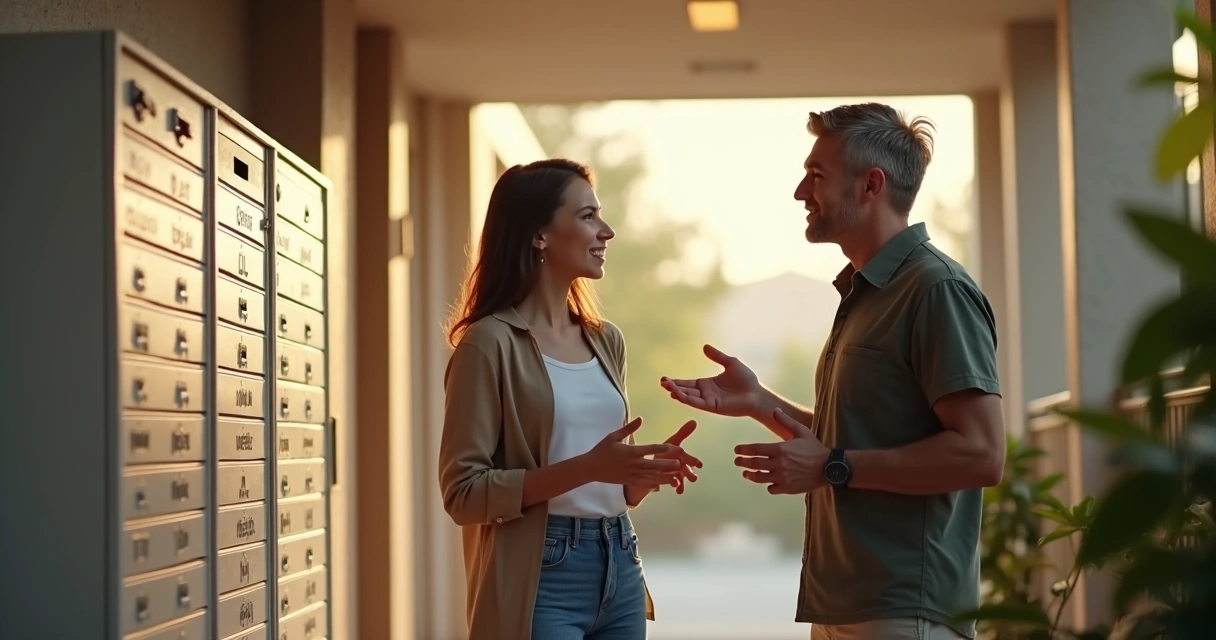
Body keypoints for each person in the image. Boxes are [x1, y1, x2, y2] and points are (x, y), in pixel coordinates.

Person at [661, 103, 1005, 640]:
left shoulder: (936, 291)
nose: (801, 193)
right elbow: (851, 441)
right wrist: (759, 402)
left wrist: (833, 467)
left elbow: (982, 454)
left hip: (903, 609)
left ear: (871, 185)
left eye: (817, 176)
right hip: (844, 603)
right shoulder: (866, 294)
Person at [439, 158, 703, 640]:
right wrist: (589, 467)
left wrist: (639, 474)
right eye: (587, 217)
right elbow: (463, 493)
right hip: (541, 575)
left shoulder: (607, 341)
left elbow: (606, 488)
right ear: (539, 235)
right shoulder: (488, 344)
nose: (607, 231)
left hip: (619, 561)